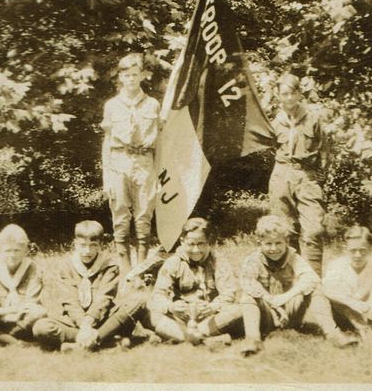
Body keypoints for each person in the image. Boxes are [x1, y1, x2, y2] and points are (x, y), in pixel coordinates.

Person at [238, 215, 357, 356]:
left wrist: (285, 297)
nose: (274, 248)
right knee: (248, 295)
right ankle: (253, 339)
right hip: (267, 314)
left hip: (290, 312)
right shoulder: (253, 260)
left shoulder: (293, 257)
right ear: (260, 243)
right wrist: (272, 302)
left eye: (278, 243)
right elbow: (247, 282)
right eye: (268, 244)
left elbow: (311, 278)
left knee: (313, 287)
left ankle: (333, 334)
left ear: (286, 242)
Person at [32, 220, 144, 352]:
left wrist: (89, 323)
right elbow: (70, 301)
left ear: (101, 245)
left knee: (138, 301)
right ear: (75, 244)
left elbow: (104, 299)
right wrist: (84, 328)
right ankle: (107, 341)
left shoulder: (110, 265)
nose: (87, 251)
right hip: (75, 323)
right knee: (41, 327)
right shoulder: (66, 266)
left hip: (102, 319)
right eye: (83, 245)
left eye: (93, 245)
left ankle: (80, 345)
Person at [101, 53, 161, 278]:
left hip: (144, 162)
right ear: (120, 77)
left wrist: (158, 173)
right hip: (119, 161)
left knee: (144, 213)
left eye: (135, 74)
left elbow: (159, 142)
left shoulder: (153, 104)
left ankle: (141, 268)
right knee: (120, 213)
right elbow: (107, 142)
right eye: (126, 75)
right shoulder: (112, 106)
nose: (131, 79)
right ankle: (125, 267)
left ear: (142, 76)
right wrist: (107, 176)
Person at [268, 73, 328, 275]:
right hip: (281, 175)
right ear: (278, 95)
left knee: (313, 229)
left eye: (293, 93)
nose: (289, 98)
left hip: (306, 176)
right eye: (284, 94)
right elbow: (271, 147)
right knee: (284, 230)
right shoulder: (275, 122)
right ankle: (290, 277)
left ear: (299, 93)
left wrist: (317, 178)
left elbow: (325, 151)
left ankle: (313, 283)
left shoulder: (313, 118)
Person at [148, 217, 242, 346]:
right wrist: (171, 307)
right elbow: (158, 294)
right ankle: (206, 339)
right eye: (191, 244)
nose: (196, 250)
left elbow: (229, 293)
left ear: (209, 242)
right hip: (181, 317)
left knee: (240, 309)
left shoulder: (218, 261)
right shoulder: (173, 262)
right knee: (149, 311)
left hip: (210, 317)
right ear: (182, 241)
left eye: (201, 244)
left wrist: (212, 307)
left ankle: (184, 337)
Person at [322, 225, 372, 345]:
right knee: (336, 296)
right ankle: (364, 330)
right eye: (353, 250)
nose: (358, 255)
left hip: (369, 309)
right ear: (345, 248)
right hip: (345, 313)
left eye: (362, 250)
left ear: (369, 249)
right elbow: (327, 290)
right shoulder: (337, 265)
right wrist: (352, 302)